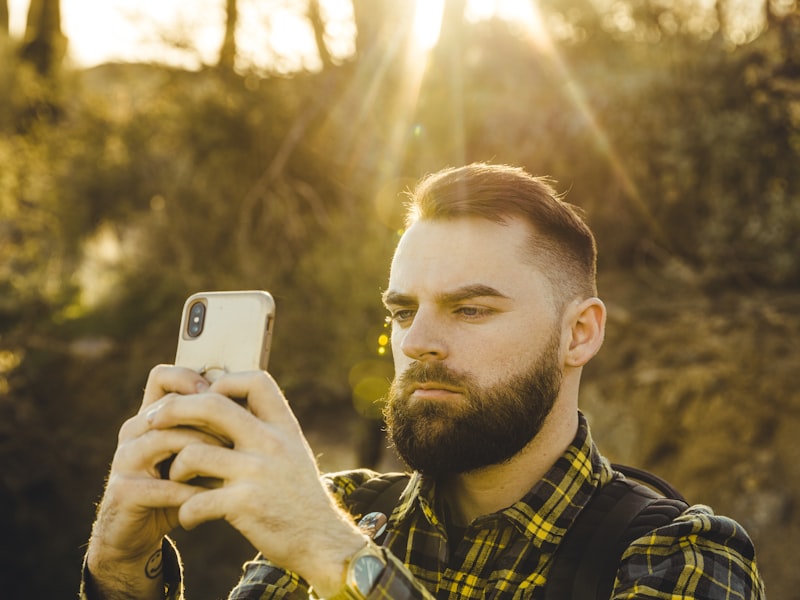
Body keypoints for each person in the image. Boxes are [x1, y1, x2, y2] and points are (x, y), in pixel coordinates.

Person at [80, 163, 764, 599]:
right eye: (403, 312)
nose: (419, 343)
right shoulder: (343, 511)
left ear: (579, 333)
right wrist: (120, 572)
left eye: (471, 308)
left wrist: (337, 559)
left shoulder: (675, 556)